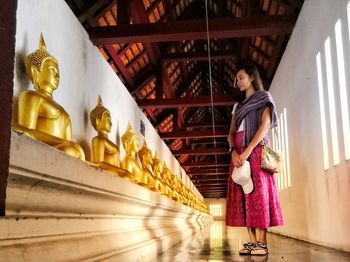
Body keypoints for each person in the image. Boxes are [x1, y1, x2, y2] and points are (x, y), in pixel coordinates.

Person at [226, 64, 283, 256]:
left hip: (256, 149)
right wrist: (234, 151)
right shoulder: (238, 106)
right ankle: (252, 242)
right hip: (239, 153)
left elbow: (265, 124)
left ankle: (262, 242)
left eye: (241, 77)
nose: (238, 82)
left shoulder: (263, 97)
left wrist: (248, 150)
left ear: (251, 77)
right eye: (237, 79)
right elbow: (231, 133)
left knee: (260, 195)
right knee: (245, 196)